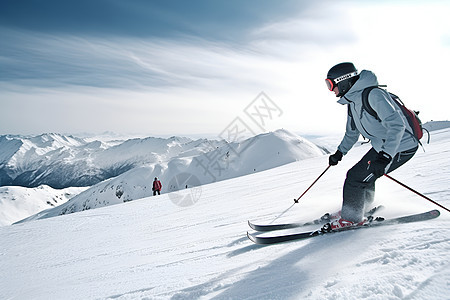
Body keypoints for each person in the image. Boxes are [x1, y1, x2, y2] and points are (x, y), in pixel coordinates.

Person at [325, 62, 419, 229]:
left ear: (344, 81)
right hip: (382, 146)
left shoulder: (373, 95)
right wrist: (340, 153)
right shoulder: (352, 102)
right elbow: (352, 133)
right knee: (362, 177)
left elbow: (396, 125)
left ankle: (352, 218)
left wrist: (385, 156)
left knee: (355, 178)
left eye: (331, 84)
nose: (332, 90)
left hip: (401, 146)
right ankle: (359, 208)